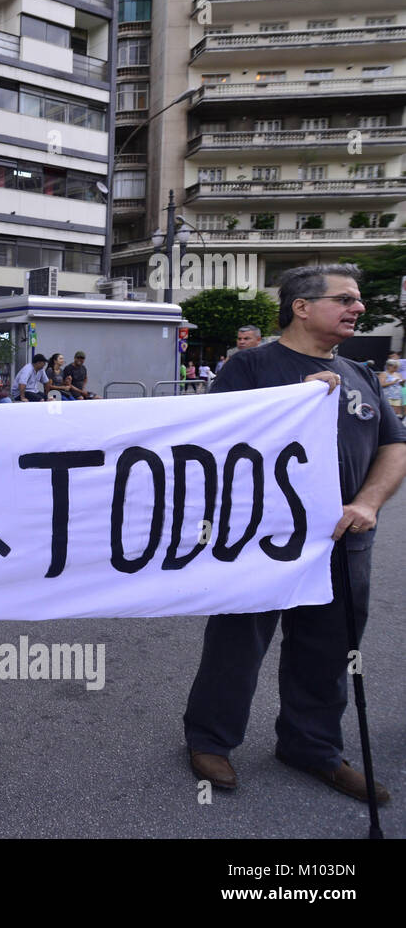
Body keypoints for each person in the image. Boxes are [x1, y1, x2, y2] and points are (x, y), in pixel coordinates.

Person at [183, 263, 406, 804]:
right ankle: (210, 740)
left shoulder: (362, 374)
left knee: (329, 649)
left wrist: (367, 502)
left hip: (343, 541)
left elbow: (393, 446)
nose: (358, 308)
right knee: (237, 643)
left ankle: (312, 747)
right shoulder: (251, 365)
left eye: (358, 301)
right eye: (345, 299)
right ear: (301, 306)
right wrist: (292, 403)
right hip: (262, 540)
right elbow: (213, 443)